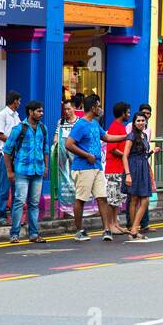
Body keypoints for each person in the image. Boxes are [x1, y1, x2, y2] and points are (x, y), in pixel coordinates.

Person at [66, 94, 111, 242]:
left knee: (102, 197)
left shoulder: (94, 124)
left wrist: (127, 136)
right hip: (83, 167)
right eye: (98, 106)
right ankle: (79, 230)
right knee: (81, 199)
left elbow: (107, 138)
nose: (100, 109)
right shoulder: (80, 124)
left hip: (97, 166)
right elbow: (69, 144)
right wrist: (86, 155)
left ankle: (107, 230)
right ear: (93, 108)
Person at [3, 100, 49, 244]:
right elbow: (7, 150)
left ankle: (34, 234)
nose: (41, 114)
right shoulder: (19, 128)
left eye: (42, 111)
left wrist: (46, 167)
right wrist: (10, 172)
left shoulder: (43, 128)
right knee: (19, 202)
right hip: (22, 170)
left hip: (38, 171)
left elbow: (46, 149)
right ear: (30, 112)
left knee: (34, 203)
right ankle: (14, 234)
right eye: (38, 111)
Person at [102, 102, 132, 240]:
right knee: (112, 198)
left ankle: (115, 222)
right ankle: (110, 224)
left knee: (117, 199)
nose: (129, 114)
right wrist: (125, 155)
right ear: (123, 113)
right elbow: (113, 149)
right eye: (128, 112)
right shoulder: (115, 127)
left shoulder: (120, 127)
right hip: (113, 168)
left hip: (119, 168)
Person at [0, 92, 21, 225]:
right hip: (4, 154)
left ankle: (15, 216)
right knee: (4, 186)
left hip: (16, 155)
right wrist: (14, 141)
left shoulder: (16, 116)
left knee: (16, 186)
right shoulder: (2, 115)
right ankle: (1, 215)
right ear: (14, 101)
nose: (19, 103)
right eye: (18, 101)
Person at [124, 112, 154, 240]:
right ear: (134, 123)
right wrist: (128, 174)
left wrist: (152, 151)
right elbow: (125, 156)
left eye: (143, 120)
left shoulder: (145, 135)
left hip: (143, 168)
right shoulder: (131, 136)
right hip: (134, 169)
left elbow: (143, 154)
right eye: (138, 121)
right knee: (134, 199)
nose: (141, 123)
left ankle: (134, 229)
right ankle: (133, 229)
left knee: (145, 200)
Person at [53, 94, 81, 213]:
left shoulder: (80, 122)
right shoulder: (61, 121)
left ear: (74, 108)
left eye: (69, 109)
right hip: (63, 155)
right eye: (65, 109)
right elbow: (56, 135)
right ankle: (66, 204)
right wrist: (55, 143)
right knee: (65, 177)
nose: (67, 111)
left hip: (76, 154)